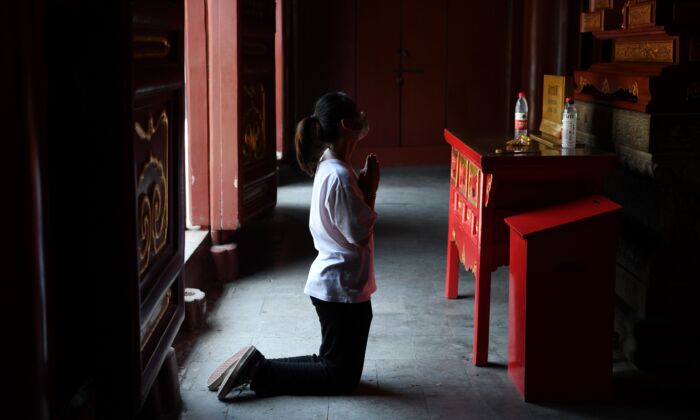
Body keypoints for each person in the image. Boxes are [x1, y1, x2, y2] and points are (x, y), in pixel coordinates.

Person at [208, 91, 380, 401]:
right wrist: (370, 192)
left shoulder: (331, 165)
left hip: (340, 284)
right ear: (346, 125)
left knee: (331, 364)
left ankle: (256, 366)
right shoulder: (340, 175)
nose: (363, 121)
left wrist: (364, 190)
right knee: (340, 376)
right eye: (357, 116)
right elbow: (358, 233)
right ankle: (259, 373)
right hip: (341, 288)